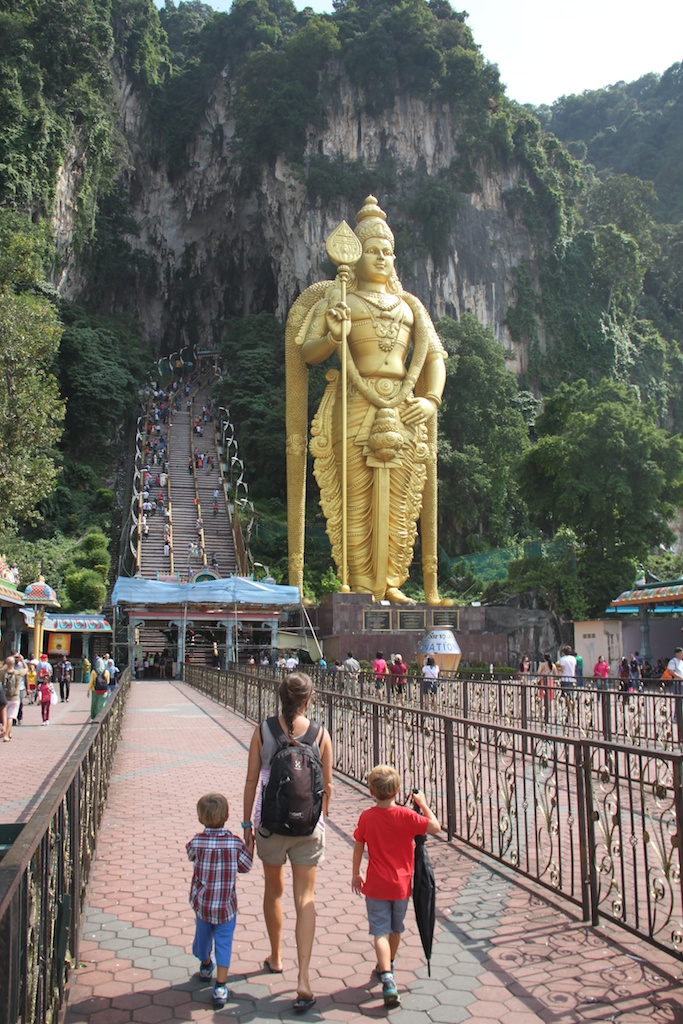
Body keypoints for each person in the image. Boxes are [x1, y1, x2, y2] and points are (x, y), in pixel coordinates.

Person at [286, 195, 447, 604]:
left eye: (387, 252)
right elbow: (305, 352)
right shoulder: (340, 300)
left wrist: (431, 400)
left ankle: (392, 582)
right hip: (354, 402)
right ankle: (359, 584)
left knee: (402, 496)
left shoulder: (411, 306)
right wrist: (332, 336)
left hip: (405, 404)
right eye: (372, 251)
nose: (381, 257)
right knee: (354, 497)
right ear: (355, 257)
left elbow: (435, 357)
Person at [242, 673, 333, 1014]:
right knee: (305, 898)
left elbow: (252, 779)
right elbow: (328, 786)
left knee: (273, 890)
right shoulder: (320, 734)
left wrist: (245, 825)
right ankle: (305, 978)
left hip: (270, 825)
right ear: (309, 700)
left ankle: (276, 956)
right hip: (308, 827)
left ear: (279, 696)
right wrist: (319, 821)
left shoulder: (263, 730)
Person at [351, 764, 440, 1008]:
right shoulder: (406, 816)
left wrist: (356, 872)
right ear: (398, 790)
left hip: (377, 884)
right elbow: (435, 827)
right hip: (402, 884)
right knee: (396, 928)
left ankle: (386, 974)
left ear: (371, 791)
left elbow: (359, 844)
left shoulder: (367, 817)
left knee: (379, 931)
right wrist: (422, 804)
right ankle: (388, 964)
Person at [186, 792, 253, 1008]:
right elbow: (246, 866)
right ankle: (221, 986)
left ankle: (206, 964)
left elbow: (190, 854)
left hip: (203, 904)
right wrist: (250, 844)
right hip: (226, 907)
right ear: (227, 815)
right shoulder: (234, 843)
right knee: (224, 943)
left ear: (200, 818)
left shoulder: (197, 841)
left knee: (202, 938)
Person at [0, 656, 23, 740]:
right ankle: (6, 735)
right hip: (15, 697)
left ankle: (8, 733)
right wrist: (22, 660)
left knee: (5, 716)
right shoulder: (17, 672)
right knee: (10, 717)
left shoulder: (2, 672)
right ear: (14, 663)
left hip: (4, 697)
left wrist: (4, 666)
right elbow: (26, 670)